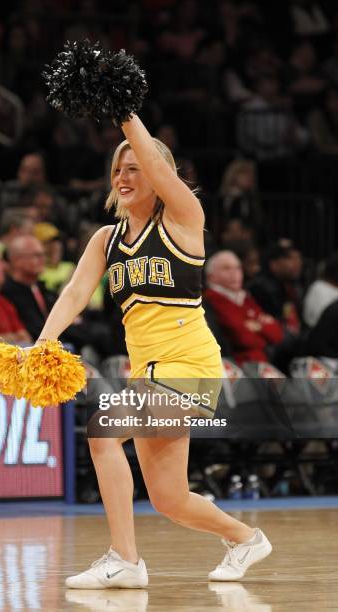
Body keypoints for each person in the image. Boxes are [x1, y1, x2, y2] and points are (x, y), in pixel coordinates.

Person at [28, 113, 272, 587]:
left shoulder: (183, 220)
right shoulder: (107, 239)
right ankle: (246, 539)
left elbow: (162, 173)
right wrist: (44, 340)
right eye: (118, 170)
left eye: (135, 167)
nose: (123, 177)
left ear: (159, 175)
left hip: (192, 365)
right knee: (170, 499)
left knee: (103, 430)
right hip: (149, 372)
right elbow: (76, 292)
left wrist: (125, 117)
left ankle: (125, 560)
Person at [204, 250, 284, 365]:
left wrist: (256, 327)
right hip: (238, 369)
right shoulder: (211, 299)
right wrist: (261, 327)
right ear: (211, 277)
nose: (234, 273)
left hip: (260, 366)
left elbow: (277, 334)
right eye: (226, 268)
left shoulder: (245, 298)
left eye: (238, 268)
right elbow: (244, 339)